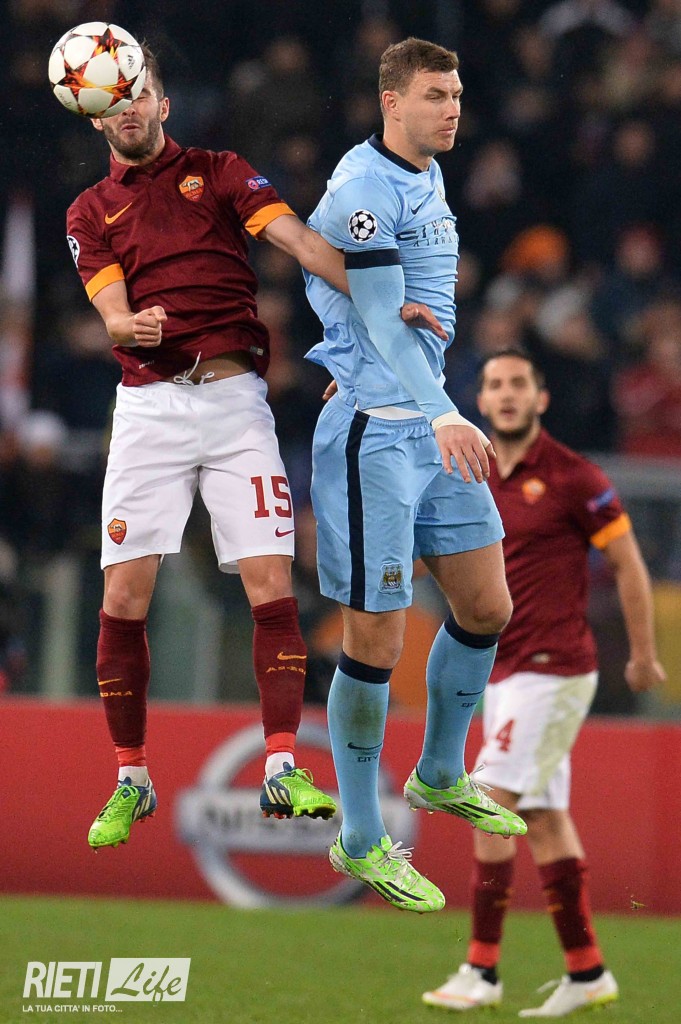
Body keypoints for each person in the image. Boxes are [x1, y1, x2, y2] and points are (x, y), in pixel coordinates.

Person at [65, 46, 441, 850]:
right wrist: (129, 326)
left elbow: (299, 242)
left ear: (163, 103)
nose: (129, 110)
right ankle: (131, 776)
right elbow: (112, 313)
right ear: (96, 118)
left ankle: (281, 766)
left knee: (270, 582)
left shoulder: (220, 172)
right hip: (149, 409)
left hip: (235, 404)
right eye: (114, 102)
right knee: (124, 597)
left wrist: (385, 301)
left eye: (140, 94)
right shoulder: (89, 212)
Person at [303, 37, 527, 914]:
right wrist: (435, 408)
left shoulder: (423, 174)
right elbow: (379, 318)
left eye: (457, 93)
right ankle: (361, 838)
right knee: (376, 642)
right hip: (380, 434)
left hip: (429, 419)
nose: (453, 108)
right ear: (391, 100)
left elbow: (372, 303)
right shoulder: (364, 190)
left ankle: (438, 772)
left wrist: (427, 401)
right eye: (435, 94)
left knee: (486, 606)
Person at [423, 349, 665, 1015]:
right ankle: (587, 972)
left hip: (554, 668)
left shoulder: (573, 476)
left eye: (518, 384)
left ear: (540, 399)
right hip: (500, 671)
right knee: (543, 818)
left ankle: (481, 969)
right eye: (494, 385)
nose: (506, 394)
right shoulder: (466, 470)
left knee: (485, 800)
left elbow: (627, 563)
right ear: (480, 400)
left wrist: (643, 654)